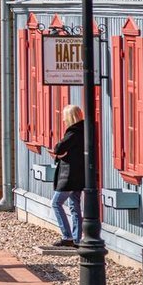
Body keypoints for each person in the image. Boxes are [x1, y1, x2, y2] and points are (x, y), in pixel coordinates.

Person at [50, 104, 85, 249]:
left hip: (70, 176)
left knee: (56, 203)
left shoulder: (73, 132)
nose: (64, 120)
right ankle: (76, 239)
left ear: (70, 117)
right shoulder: (83, 130)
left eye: (65, 116)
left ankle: (67, 236)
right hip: (79, 175)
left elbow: (59, 148)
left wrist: (60, 152)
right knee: (74, 206)